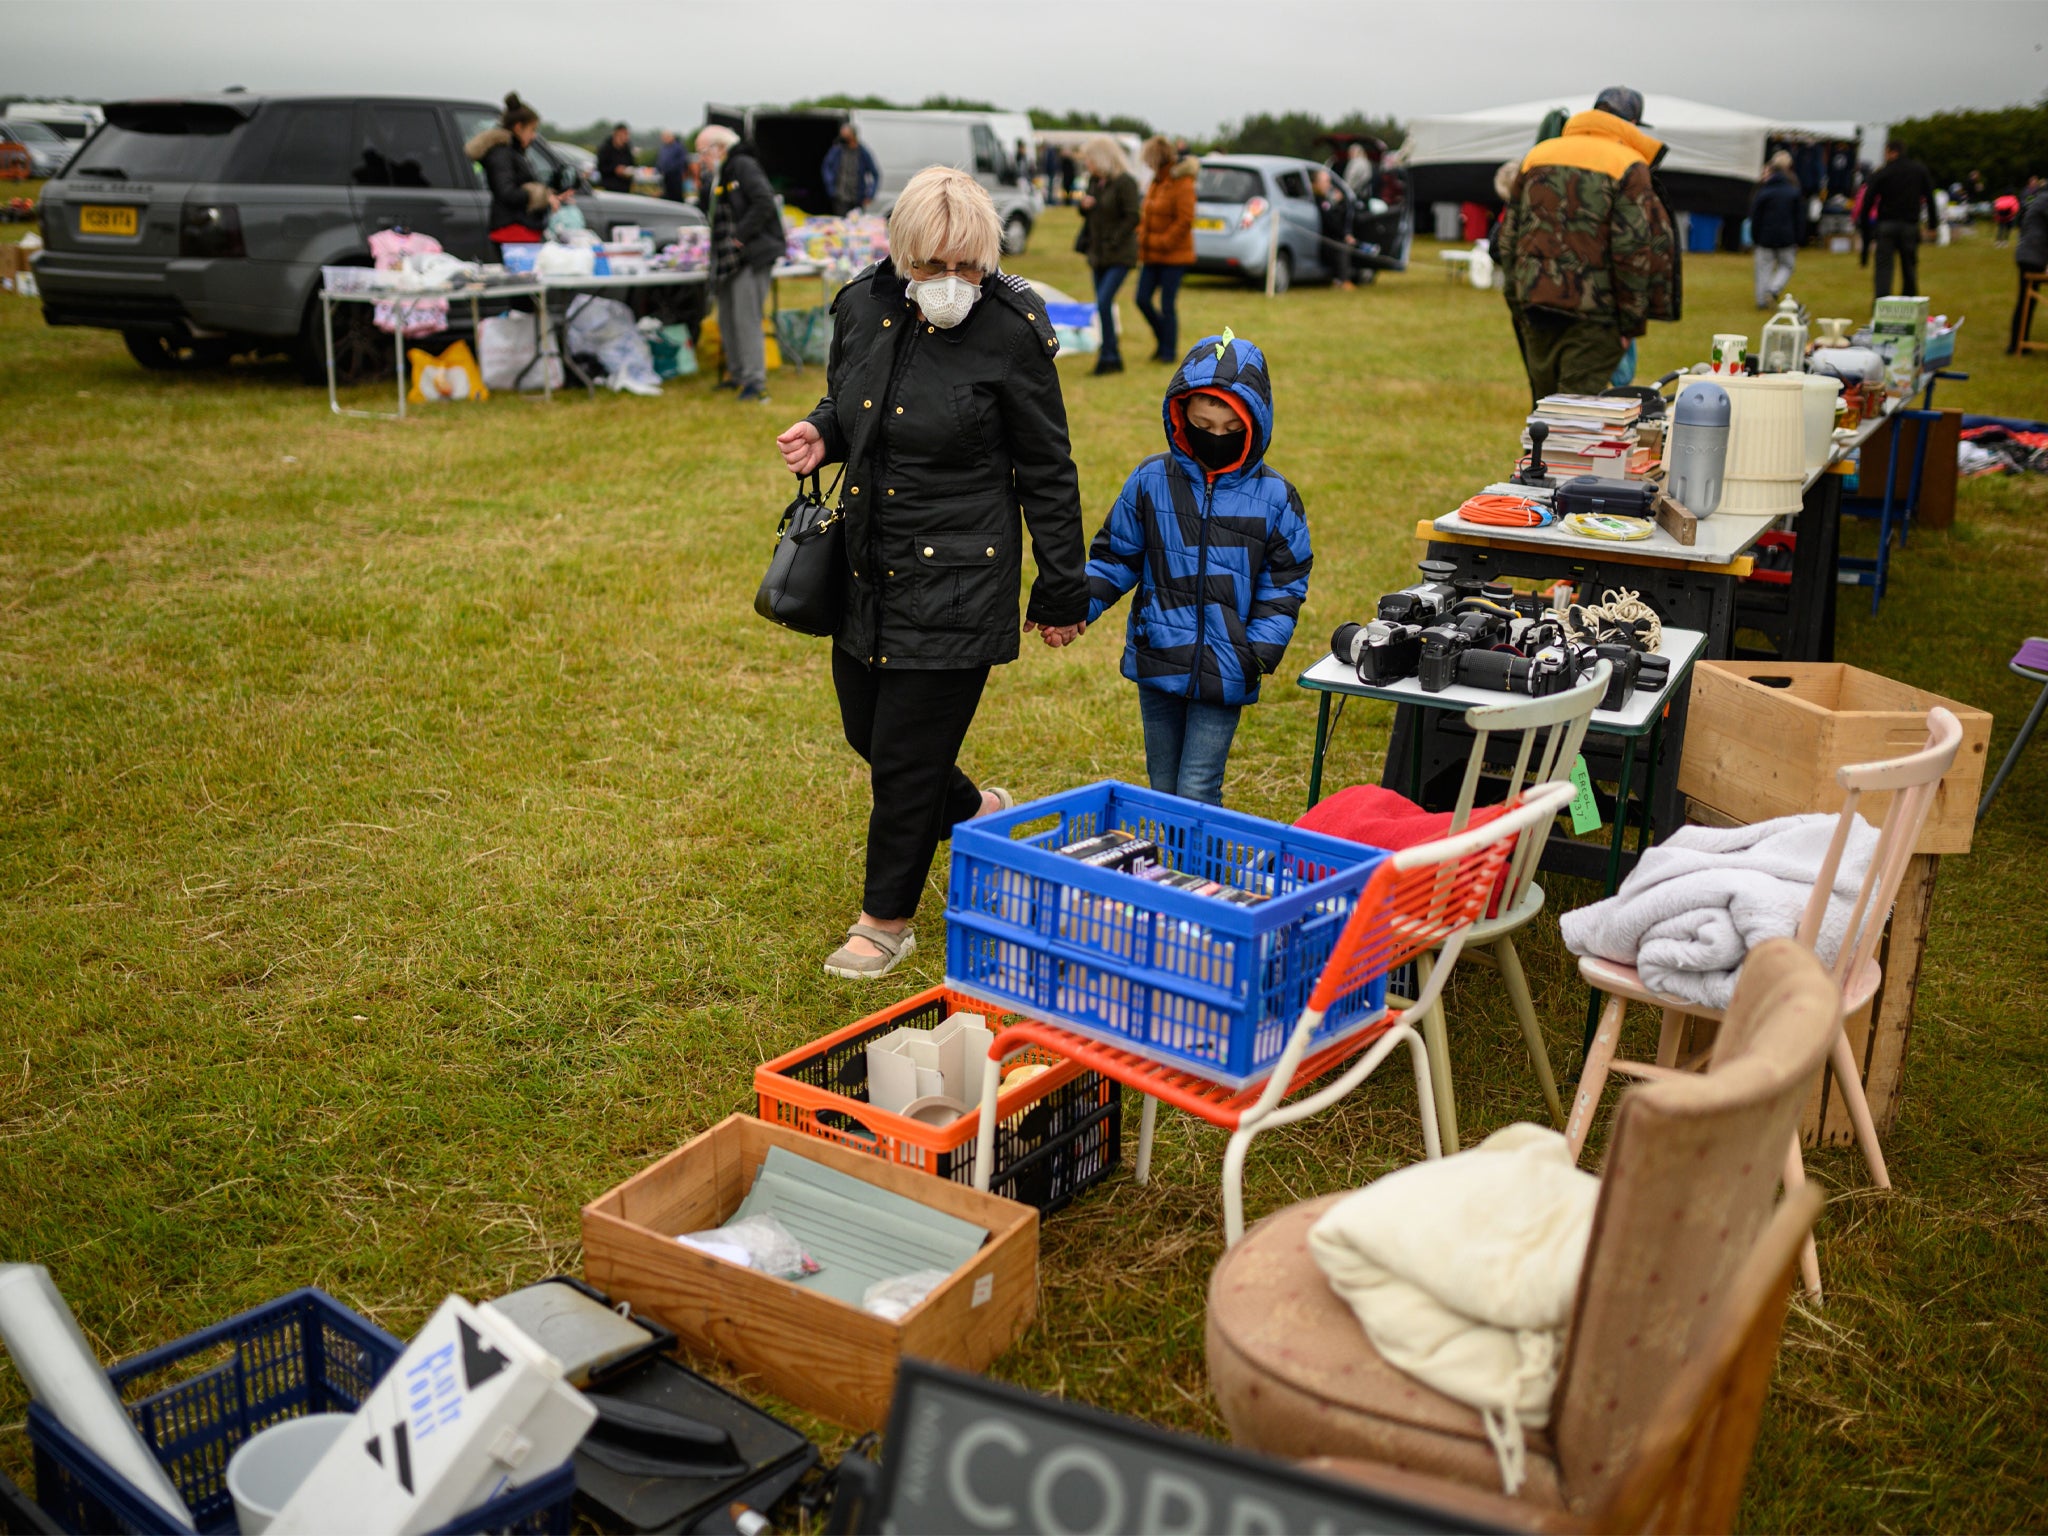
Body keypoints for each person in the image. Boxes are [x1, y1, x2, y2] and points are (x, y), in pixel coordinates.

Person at [772, 168, 1089, 978]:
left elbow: (1048, 468)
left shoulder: (1012, 328)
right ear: (899, 253)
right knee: (868, 735)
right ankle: (977, 811)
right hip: (867, 568)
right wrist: (821, 430)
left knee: (907, 761)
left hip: (960, 580)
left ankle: (885, 922)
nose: (952, 285)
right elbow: (852, 402)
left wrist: (1061, 587)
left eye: (968, 268)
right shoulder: (859, 306)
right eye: (932, 267)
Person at [1083, 332, 1312, 806]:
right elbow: (1115, 557)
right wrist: (1073, 607)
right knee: (1163, 788)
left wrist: (1258, 652)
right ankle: (1172, 876)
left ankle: (1197, 877)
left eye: (1231, 430)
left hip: (1227, 668)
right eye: (1205, 424)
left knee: (1198, 789)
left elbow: (1286, 581)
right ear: (1180, 413)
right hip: (1158, 656)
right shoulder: (1150, 480)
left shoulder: (1276, 497)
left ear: (1255, 423)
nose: (1216, 437)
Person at [1495, 85, 1678, 401]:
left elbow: (1509, 238)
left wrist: (1518, 300)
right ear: (1631, 123)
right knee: (1576, 420)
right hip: (1596, 315)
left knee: (1544, 410)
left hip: (1535, 305)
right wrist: (1630, 326)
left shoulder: (1538, 155)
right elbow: (1632, 251)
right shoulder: (1628, 164)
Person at [697, 124, 781, 403]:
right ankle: (737, 375)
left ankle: (755, 383)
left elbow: (764, 201)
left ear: (719, 147)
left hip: (751, 256)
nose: (701, 159)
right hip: (729, 260)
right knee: (728, 318)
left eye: (703, 152)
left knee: (746, 319)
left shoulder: (742, 164)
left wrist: (739, 236)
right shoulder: (723, 171)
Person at [1077, 136, 1140, 376]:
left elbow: (1133, 216)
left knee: (1103, 303)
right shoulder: (1095, 181)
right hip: (1098, 255)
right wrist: (1084, 206)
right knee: (1102, 306)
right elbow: (1089, 214)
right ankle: (1111, 354)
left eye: (1090, 160)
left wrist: (1114, 239)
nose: (1087, 165)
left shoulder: (1125, 183)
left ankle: (1109, 356)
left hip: (1119, 255)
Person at [466, 92, 560, 250]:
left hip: (521, 229)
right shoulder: (501, 154)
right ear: (518, 127)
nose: (533, 136)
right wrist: (540, 195)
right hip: (512, 231)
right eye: (532, 130)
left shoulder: (514, 152)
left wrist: (547, 195)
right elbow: (507, 192)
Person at [1134, 135, 1197, 362]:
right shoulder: (1156, 181)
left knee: (1167, 304)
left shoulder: (1182, 183)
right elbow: (1147, 213)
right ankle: (1163, 339)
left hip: (1173, 256)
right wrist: (1142, 234)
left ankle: (1168, 351)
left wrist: (1162, 242)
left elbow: (1185, 220)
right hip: (1151, 254)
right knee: (1141, 299)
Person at [1863, 141, 1938, 299]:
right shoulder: (1919, 170)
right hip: (1909, 225)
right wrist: (1933, 223)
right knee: (1909, 266)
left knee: (1884, 268)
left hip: (1886, 225)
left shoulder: (1884, 172)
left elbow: (1868, 199)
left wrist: (1865, 225)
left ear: (1890, 152)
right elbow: (1930, 197)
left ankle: (1882, 303)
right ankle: (1909, 301)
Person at [1750, 149, 1806, 309]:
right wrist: (1799, 238)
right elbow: (1799, 218)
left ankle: (1761, 300)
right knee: (1787, 265)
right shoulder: (1794, 190)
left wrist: (1755, 236)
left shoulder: (1763, 191)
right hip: (1786, 236)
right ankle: (1774, 288)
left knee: (1762, 268)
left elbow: (1755, 216)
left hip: (1764, 237)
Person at [2010, 174, 2047, 354]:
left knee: (2027, 301)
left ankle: (2019, 342)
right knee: (2025, 300)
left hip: (2028, 254)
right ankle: (2016, 344)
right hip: (2033, 256)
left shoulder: (2039, 200)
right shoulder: (2045, 200)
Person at [1311, 167, 1356, 290]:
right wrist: (1345, 235)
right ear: (1315, 183)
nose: (1329, 185)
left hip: (1324, 238)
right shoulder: (1319, 200)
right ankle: (1342, 280)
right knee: (1340, 247)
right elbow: (1331, 222)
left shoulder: (1324, 200)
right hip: (1321, 240)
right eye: (1326, 181)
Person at [820, 123, 879, 217]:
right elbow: (826, 167)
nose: (842, 138)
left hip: (858, 198)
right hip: (841, 197)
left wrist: (870, 194)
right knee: (841, 226)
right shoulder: (837, 150)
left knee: (856, 226)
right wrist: (831, 186)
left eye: (845, 135)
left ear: (853, 136)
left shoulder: (863, 153)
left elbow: (875, 174)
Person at [596, 123, 636, 194]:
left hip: (625, 187)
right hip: (609, 187)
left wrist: (627, 171)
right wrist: (615, 170)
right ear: (616, 134)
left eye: (627, 134)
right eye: (624, 134)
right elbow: (600, 167)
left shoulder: (627, 148)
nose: (626, 137)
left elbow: (633, 164)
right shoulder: (605, 148)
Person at [655, 129, 690, 204]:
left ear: (672, 137)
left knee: (676, 196)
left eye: (666, 137)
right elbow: (660, 161)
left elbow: (682, 162)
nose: (665, 139)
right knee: (667, 195)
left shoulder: (678, 147)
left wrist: (669, 169)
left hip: (675, 177)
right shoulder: (663, 148)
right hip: (665, 177)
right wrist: (659, 169)